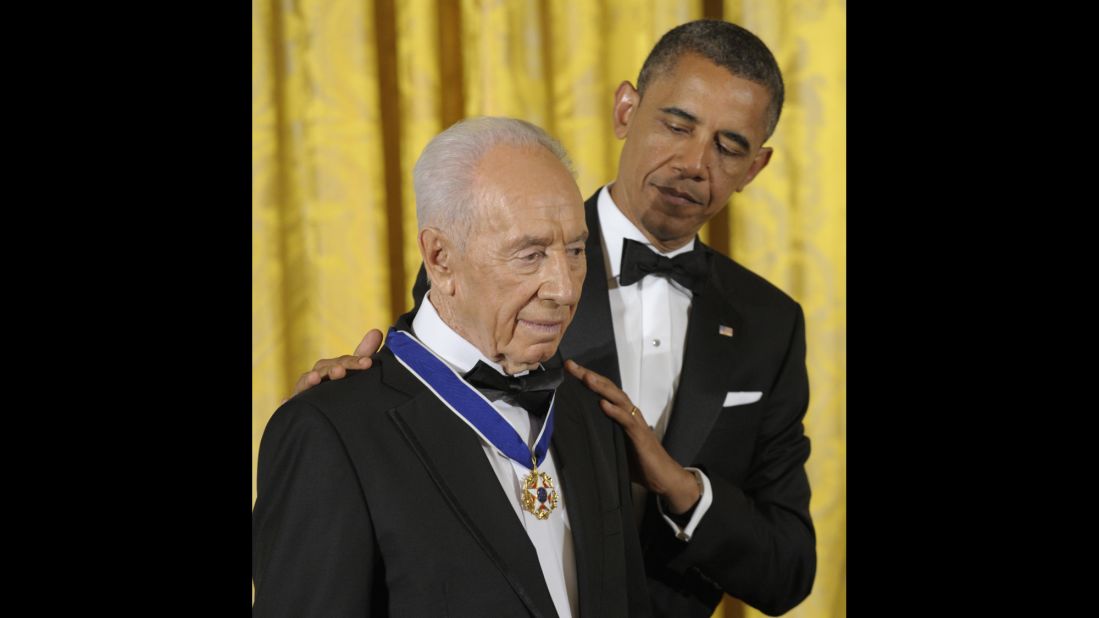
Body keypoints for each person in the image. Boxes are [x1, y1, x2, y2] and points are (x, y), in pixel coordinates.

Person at [292, 19, 814, 617]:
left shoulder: (771, 324)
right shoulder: (491, 247)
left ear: (756, 167)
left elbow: (788, 569)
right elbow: (414, 410)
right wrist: (342, 404)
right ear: (625, 110)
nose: (696, 163)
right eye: (677, 124)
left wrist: (680, 487)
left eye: (729, 147)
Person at [253, 117, 649, 617]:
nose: (565, 289)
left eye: (574, 250)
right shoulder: (330, 431)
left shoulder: (591, 409)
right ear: (440, 258)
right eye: (530, 255)